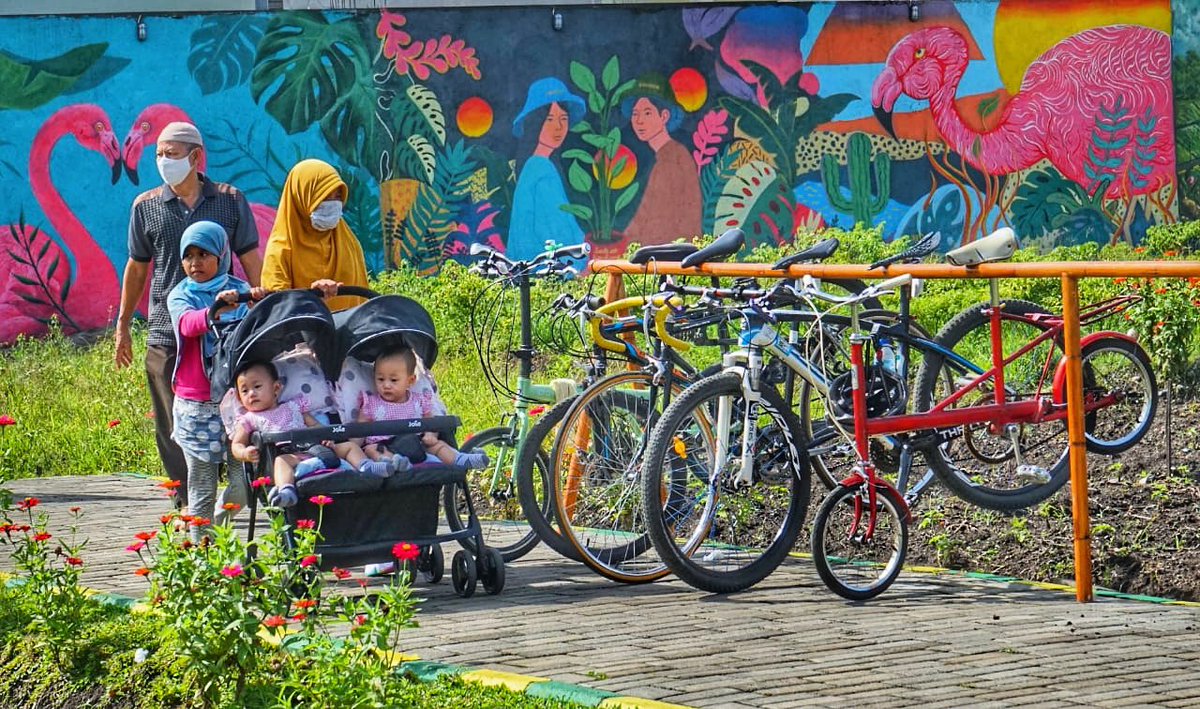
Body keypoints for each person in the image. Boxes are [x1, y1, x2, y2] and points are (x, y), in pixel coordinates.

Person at [115, 121, 262, 509]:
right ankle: (188, 498)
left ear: (196, 157)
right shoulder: (146, 206)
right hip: (170, 330)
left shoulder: (230, 200)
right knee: (173, 420)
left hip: (229, 333)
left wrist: (261, 308)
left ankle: (235, 491)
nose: (163, 161)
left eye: (172, 153)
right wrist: (123, 325)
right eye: (159, 154)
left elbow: (250, 258)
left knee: (237, 408)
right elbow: (137, 266)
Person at [166, 221, 259, 541]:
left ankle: (215, 528)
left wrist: (256, 300)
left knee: (243, 484)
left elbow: (255, 327)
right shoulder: (180, 295)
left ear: (221, 254)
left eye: (204, 254)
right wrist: (215, 309)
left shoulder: (239, 288)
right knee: (202, 487)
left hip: (234, 401)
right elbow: (188, 324)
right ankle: (201, 555)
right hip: (196, 404)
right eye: (188, 256)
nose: (195, 263)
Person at [229, 361, 393, 508]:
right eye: (245, 391)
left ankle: (367, 466)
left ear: (276, 388)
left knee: (349, 446)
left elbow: (314, 425)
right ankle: (286, 491)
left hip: (317, 447)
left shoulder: (294, 406)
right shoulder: (249, 419)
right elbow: (236, 444)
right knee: (280, 462)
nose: (251, 394)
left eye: (257, 387)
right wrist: (244, 453)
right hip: (291, 455)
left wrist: (325, 436)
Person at [261, 159, 368, 312]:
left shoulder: (349, 243)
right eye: (324, 197)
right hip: (305, 333)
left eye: (337, 196)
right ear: (301, 197)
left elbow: (363, 300)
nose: (332, 204)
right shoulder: (281, 249)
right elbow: (277, 307)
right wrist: (312, 295)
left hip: (352, 332)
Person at [358, 347, 488, 471]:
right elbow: (359, 430)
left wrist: (431, 434)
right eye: (380, 379)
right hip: (384, 444)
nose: (386, 385)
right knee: (371, 449)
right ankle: (393, 463)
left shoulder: (419, 400)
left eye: (393, 380)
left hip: (416, 442)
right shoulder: (371, 403)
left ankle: (460, 459)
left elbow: (429, 421)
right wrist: (352, 442)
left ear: (410, 380)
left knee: (436, 445)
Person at [508, 77, 587, 262]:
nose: (558, 127)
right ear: (536, 123)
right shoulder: (541, 169)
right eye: (550, 119)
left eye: (564, 119)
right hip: (547, 271)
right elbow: (556, 232)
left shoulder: (535, 166)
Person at [621, 75, 703, 246]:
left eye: (647, 113)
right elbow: (644, 213)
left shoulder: (673, 159)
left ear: (664, 116)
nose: (639, 121)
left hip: (667, 258)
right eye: (635, 114)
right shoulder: (665, 156)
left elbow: (662, 224)